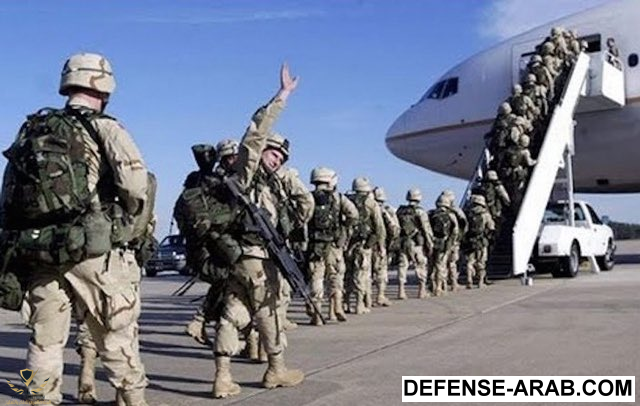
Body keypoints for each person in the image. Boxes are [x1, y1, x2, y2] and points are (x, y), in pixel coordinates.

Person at [0, 53, 151, 405]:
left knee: (44, 340)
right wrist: (123, 221)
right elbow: (135, 186)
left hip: (41, 251)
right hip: (92, 250)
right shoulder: (105, 127)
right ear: (105, 87)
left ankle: (40, 399)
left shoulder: (34, 129)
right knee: (117, 335)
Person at [212, 64, 304, 398]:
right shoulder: (246, 174)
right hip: (255, 257)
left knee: (233, 313)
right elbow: (255, 134)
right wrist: (282, 96)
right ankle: (276, 369)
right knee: (269, 311)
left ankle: (222, 377)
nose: (277, 160)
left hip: (240, 258)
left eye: (281, 157)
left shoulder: (267, 184)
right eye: (273, 153)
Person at [307, 167, 358, 324]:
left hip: (315, 246)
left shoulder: (308, 197)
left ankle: (317, 315)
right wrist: (343, 228)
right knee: (335, 276)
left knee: (316, 278)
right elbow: (353, 215)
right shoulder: (338, 198)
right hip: (334, 246)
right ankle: (336, 308)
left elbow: (302, 218)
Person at [344, 177, 385, 314]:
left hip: (347, 243)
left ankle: (345, 303)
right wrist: (380, 245)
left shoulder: (346, 200)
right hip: (363, 244)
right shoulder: (371, 203)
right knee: (361, 273)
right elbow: (379, 226)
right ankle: (359, 304)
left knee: (347, 273)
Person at [395, 188, 433, 299]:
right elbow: (426, 228)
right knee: (420, 265)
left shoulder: (400, 211)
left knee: (402, 266)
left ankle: (401, 291)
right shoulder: (420, 212)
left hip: (403, 242)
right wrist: (429, 242)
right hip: (416, 243)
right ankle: (421, 290)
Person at [372, 186, 400, 306]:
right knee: (381, 271)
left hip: (365, 245)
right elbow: (394, 229)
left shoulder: (367, 207)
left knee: (366, 273)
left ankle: (366, 299)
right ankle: (380, 296)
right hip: (380, 245)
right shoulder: (386, 210)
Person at [429, 191, 459, 296]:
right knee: (441, 266)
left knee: (431, 265)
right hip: (444, 243)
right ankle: (440, 287)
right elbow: (455, 231)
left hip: (433, 242)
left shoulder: (430, 214)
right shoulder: (451, 215)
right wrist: (451, 243)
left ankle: (432, 286)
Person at [463, 195, 495, 288]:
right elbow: (491, 227)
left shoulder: (467, 213)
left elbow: (464, 228)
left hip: (470, 241)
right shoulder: (485, 214)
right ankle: (480, 282)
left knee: (470, 262)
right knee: (481, 262)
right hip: (481, 241)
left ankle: (469, 280)